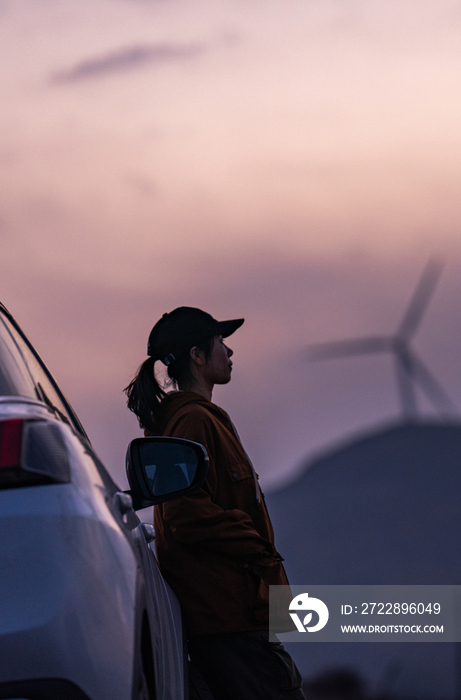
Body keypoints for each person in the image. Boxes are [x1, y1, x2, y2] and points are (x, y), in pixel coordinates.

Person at [125, 306, 305, 700]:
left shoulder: (197, 420)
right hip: (228, 618)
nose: (230, 352)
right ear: (197, 355)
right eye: (221, 342)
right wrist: (257, 546)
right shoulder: (193, 422)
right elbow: (184, 513)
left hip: (233, 614)